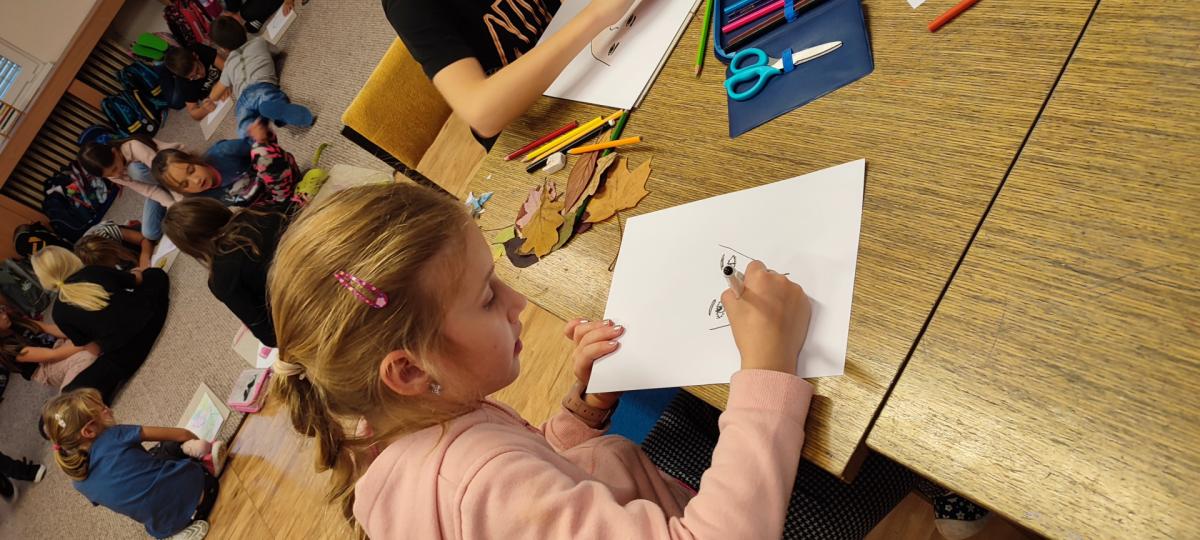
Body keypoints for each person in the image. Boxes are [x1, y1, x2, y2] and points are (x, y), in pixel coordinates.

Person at [267, 182, 815, 538]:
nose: (518, 303)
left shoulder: (392, 425)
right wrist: (768, 367)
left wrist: (584, 410)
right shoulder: (482, 486)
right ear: (410, 370)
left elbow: (532, 471)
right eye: (488, 297)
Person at [383, 0, 636, 147]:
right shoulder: (409, 7)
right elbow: (482, 112)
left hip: (581, 63)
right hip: (531, 123)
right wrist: (599, 14)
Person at [42, 388, 224, 539]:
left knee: (149, 461)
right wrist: (195, 440)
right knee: (168, 447)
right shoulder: (115, 435)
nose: (109, 409)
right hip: (206, 487)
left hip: (167, 527)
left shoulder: (79, 482)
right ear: (88, 431)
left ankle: (180, 531)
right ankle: (207, 462)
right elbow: (181, 434)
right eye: (103, 409)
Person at [30, 247, 170, 403]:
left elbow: (95, 350)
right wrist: (137, 271)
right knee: (154, 275)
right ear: (69, 258)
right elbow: (136, 280)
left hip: (128, 355)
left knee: (78, 389)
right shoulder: (93, 271)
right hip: (152, 316)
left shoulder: (58, 313)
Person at [162, 198, 287, 347]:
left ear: (191, 248)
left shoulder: (220, 280)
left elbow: (271, 336)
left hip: (306, 305)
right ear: (214, 206)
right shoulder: (260, 210)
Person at [207, 16, 313, 141]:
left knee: (245, 124)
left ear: (223, 49)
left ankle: (249, 138)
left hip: (243, 98)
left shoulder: (228, 65)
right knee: (270, 100)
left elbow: (214, 95)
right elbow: (277, 52)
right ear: (243, 29)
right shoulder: (259, 42)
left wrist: (213, 96)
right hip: (262, 86)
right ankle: (278, 109)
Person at [152, 122, 302, 208]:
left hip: (282, 183)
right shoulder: (200, 199)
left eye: (191, 170)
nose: (196, 181)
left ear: (194, 160)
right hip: (266, 205)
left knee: (261, 150)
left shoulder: (224, 151)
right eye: (185, 184)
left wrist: (263, 136)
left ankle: (287, 199)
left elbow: (268, 150)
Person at [78, 136, 185, 241]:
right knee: (150, 233)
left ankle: (179, 194)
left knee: (135, 170)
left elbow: (165, 172)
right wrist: (171, 205)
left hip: (173, 170)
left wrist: (179, 201)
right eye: (109, 175)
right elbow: (148, 190)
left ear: (115, 152)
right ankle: (172, 196)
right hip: (157, 184)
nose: (116, 175)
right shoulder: (113, 175)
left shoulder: (134, 147)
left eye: (115, 168)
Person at [0, 304, 98, 393]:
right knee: (87, 356)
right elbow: (53, 355)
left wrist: (78, 333)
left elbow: (50, 328)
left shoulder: (15, 321)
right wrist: (84, 341)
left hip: (58, 345)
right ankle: (67, 398)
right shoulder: (7, 348)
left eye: (1, 311)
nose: (4, 316)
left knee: (84, 327)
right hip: (46, 367)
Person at [162, 45, 225, 121]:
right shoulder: (183, 82)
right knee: (175, 103)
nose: (200, 75)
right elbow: (194, 113)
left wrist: (223, 84)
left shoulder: (199, 49)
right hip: (184, 86)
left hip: (220, 81)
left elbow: (225, 66)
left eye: (197, 69)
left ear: (196, 56)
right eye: (193, 77)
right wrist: (204, 109)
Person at [74, 220, 154, 270]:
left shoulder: (106, 231)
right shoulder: (92, 265)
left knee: (151, 234)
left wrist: (144, 261)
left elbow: (145, 239)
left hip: (124, 237)